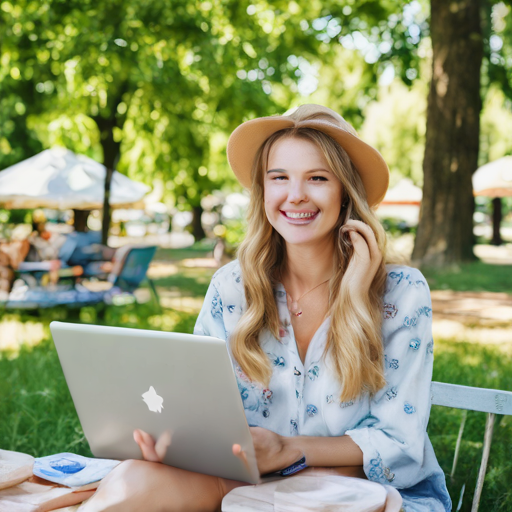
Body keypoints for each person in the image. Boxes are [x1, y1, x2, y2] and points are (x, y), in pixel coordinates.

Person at [81, 105, 451, 512]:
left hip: (360, 488)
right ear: (263, 190)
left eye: (317, 178)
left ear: (346, 190)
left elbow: (400, 441)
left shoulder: (400, 292)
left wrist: (288, 449)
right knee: (133, 480)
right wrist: (173, 439)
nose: (296, 195)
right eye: (279, 177)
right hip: (248, 480)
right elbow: (199, 405)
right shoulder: (231, 287)